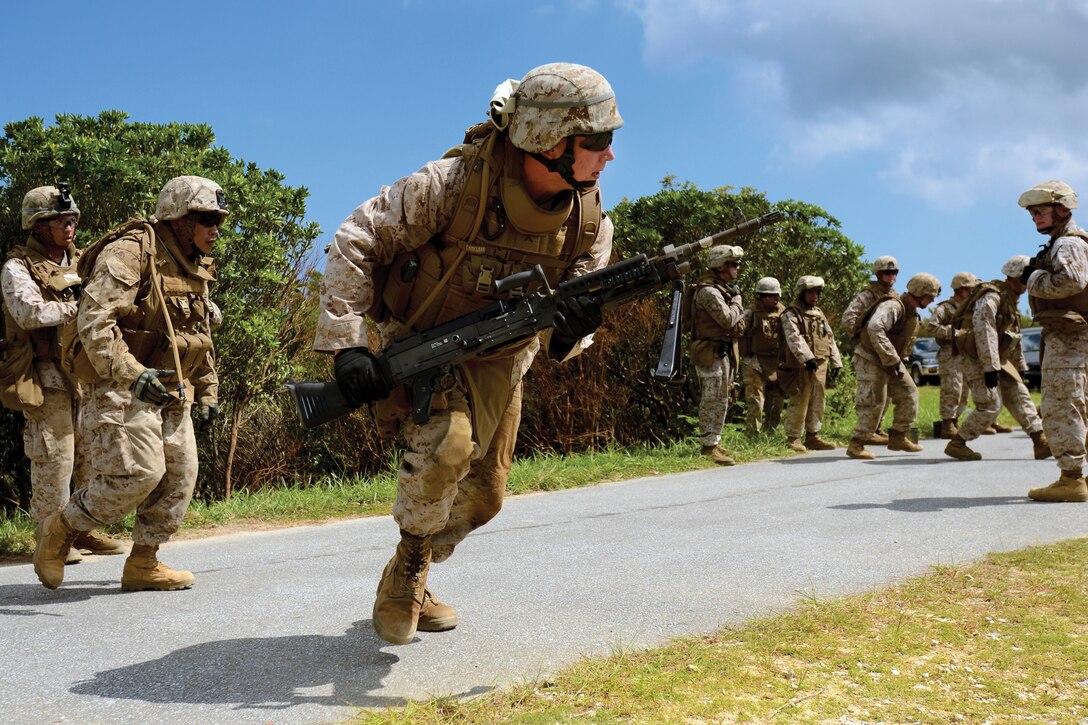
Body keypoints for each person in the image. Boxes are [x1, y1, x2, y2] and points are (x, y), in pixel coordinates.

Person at [313, 63, 621, 645]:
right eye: (598, 141)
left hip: (505, 357)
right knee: (449, 448)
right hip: (426, 345)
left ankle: (422, 560)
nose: (609, 156)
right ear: (549, 140)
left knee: (485, 498)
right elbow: (355, 239)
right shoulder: (451, 185)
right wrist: (347, 345)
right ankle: (406, 566)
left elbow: (577, 306)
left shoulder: (587, 220)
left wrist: (573, 328)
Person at [32, 175, 226, 589]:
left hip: (172, 386)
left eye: (219, 220)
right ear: (177, 219)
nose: (215, 228)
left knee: (180, 472)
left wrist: (207, 388)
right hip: (122, 381)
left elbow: (196, 331)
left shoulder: (196, 261)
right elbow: (94, 323)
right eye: (206, 218)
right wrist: (133, 375)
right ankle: (61, 528)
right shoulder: (130, 252)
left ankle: (143, 563)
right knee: (139, 473)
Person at [1, 186, 125, 562]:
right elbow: (29, 313)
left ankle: (80, 529)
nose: (68, 227)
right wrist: (83, 311)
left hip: (83, 371)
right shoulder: (16, 268)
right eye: (59, 221)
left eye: (71, 220)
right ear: (38, 227)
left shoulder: (83, 261)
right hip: (43, 373)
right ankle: (48, 535)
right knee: (55, 456)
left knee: (92, 453)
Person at [1018, 180, 1088, 502]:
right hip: (1073, 338)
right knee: (1080, 405)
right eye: (1032, 214)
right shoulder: (1068, 242)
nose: (1036, 218)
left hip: (1069, 342)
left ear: (1061, 209)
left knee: (1062, 405)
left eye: (1040, 212)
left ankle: (1071, 479)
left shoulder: (1067, 244)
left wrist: (1032, 278)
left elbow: (1072, 281)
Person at [944, 257, 1050, 462]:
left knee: (1020, 395)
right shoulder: (992, 296)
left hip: (997, 359)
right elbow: (984, 327)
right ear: (1018, 276)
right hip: (977, 358)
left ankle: (1040, 441)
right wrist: (990, 367)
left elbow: (1013, 336)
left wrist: (1020, 366)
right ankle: (958, 443)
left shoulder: (1010, 299)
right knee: (990, 404)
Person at [847, 273, 940, 459]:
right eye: (929, 296)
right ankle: (856, 444)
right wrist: (891, 358)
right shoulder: (894, 305)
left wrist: (893, 360)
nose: (931, 301)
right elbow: (874, 327)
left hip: (890, 361)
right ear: (920, 292)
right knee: (874, 401)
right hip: (871, 358)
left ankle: (898, 436)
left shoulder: (910, 310)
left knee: (909, 392)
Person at [690, 244, 745, 465]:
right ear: (721, 266)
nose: (737, 269)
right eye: (734, 264)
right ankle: (707, 445)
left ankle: (714, 440)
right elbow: (727, 319)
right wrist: (738, 300)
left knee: (722, 397)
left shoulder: (722, 289)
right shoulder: (709, 292)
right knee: (712, 398)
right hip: (709, 352)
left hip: (721, 351)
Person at [780, 275, 842, 452]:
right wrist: (807, 358)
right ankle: (793, 438)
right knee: (800, 400)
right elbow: (794, 337)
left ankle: (813, 435)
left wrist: (836, 362)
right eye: (811, 292)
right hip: (802, 365)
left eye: (817, 292)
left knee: (818, 399)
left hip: (821, 363)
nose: (815, 296)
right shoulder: (792, 313)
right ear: (801, 293)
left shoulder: (818, 313)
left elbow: (829, 337)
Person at [841, 256, 899, 445]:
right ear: (878, 274)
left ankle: (876, 428)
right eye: (886, 273)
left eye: (893, 272)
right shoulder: (867, 295)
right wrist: (863, 337)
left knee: (886, 395)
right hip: (868, 353)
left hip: (886, 353)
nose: (890, 276)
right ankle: (863, 433)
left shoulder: (893, 295)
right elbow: (848, 319)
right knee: (869, 395)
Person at [926, 271, 979, 438]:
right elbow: (932, 327)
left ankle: (955, 421)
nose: (972, 293)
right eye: (970, 289)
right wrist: (954, 332)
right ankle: (947, 424)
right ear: (961, 289)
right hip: (950, 354)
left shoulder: (969, 308)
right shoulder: (945, 308)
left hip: (965, 354)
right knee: (952, 389)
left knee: (964, 391)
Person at [738, 276, 785, 437]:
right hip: (754, 362)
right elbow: (737, 332)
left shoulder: (783, 312)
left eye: (776, 296)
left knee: (776, 403)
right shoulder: (750, 312)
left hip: (776, 363)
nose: (774, 299)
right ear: (761, 296)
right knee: (755, 402)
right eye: (770, 296)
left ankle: (770, 434)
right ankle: (752, 436)